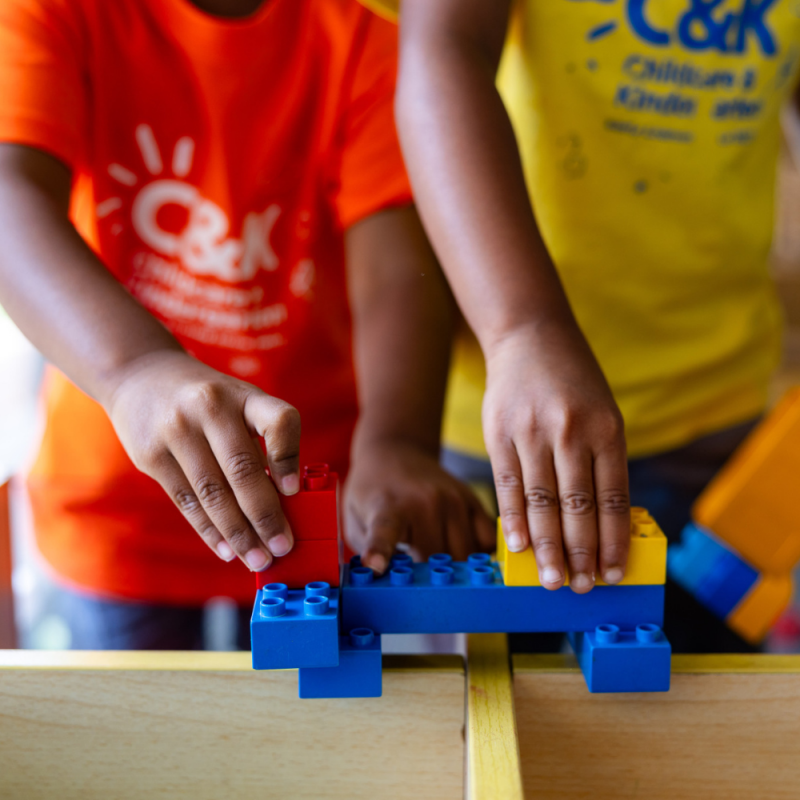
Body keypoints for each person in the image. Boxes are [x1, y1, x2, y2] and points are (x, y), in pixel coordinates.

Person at [0, 0, 493, 650]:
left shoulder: (369, 26)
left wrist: (397, 440)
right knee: (124, 738)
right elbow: (12, 194)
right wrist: (135, 371)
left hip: (317, 504)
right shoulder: (57, 10)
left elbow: (396, 271)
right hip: (120, 512)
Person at [393, 0, 798, 651]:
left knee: (685, 719)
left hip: (718, 419)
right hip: (511, 433)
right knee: (487, 709)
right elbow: (442, 51)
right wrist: (523, 329)